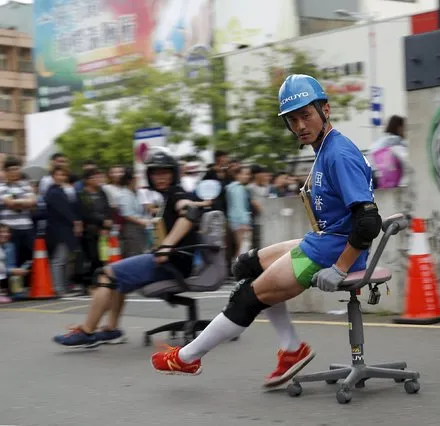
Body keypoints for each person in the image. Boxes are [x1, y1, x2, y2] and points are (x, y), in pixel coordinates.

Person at [151, 74, 382, 388]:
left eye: (306, 115)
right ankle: (291, 349)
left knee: (247, 297)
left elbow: (368, 221)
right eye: (292, 119)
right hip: (324, 242)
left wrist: (340, 268)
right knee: (246, 265)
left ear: (325, 110)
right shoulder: (325, 148)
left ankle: (188, 358)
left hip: (334, 252)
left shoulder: (338, 154)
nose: (299, 125)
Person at [52, 150, 204, 347]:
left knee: (104, 275)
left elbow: (189, 213)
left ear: (173, 173)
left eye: (165, 172)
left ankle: (88, 332)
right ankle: (112, 330)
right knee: (117, 277)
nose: (160, 177)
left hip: (172, 263)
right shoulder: (166, 197)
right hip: (173, 260)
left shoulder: (177, 194)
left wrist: (166, 247)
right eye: (156, 173)